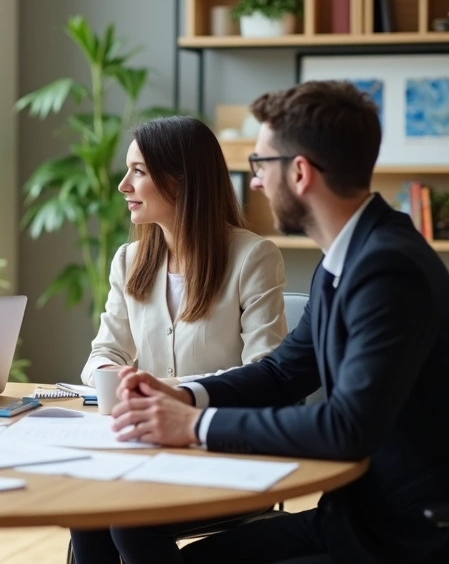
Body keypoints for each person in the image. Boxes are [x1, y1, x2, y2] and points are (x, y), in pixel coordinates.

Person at [102, 80, 449, 563]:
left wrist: (196, 425)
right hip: (358, 517)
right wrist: (184, 395)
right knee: (155, 541)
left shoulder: (390, 269)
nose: (255, 182)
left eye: (261, 165)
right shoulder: (345, 258)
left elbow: (347, 427)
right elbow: (283, 373)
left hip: (421, 537)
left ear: (300, 172)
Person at [70, 116, 287, 562]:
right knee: (87, 513)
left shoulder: (252, 256)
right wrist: (112, 374)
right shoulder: (129, 259)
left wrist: (175, 395)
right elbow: (102, 353)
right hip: (146, 450)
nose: (123, 186)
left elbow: (266, 371)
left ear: (181, 180)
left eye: (139, 172)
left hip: (224, 450)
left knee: (130, 523)